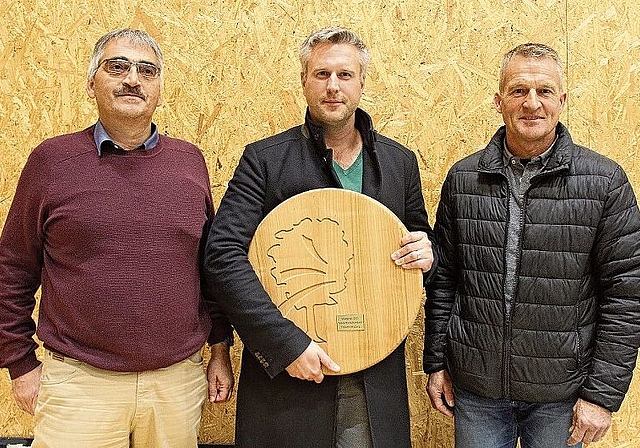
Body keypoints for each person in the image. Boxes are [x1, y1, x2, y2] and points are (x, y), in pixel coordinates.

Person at [0, 28, 234, 447]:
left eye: (147, 70)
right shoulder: (52, 161)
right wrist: (19, 364)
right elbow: (11, 270)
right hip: (79, 385)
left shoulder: (189, 163)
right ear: (92, 82)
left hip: (175, 384)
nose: (133, 79)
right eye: (117, 67)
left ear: (159, 88)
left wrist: (219, 348)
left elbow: (208, 268)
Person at [203, 26, 435, 448]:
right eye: (321, 74)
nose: (333, 86)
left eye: (345, 75)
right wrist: (286, 344)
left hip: (373, 379)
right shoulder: (266, 160)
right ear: (304, 81)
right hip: (290, 383)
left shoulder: (399, 163)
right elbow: (222, 255)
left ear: (362, 82)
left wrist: (428, 251)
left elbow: (421, 244)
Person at [424, 42, 640, 448]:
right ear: (498, 100)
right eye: (519, 90)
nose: (532, 103)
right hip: (478, 391)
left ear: (562, 100)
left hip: (562, 394)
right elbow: (445, 279)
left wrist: (601, 396)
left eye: (544, 91)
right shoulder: (464, 179)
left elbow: (627, 295)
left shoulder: (604, 182)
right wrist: (436, 362)